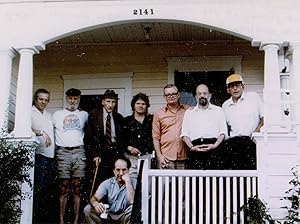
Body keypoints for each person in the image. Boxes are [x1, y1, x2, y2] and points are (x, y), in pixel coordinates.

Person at [52, 88, 88, 224]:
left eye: (75, 98)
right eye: (70, 98)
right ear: (66, 98)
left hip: (79, 151)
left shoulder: (84, 114)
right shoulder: (57, 114)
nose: (73, 101)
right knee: (63, 186)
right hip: (63, 152)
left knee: (77, 187)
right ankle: (61, 220)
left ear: (79, 99)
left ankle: (76, 220)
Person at [222, 74, 264, 170]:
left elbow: (264, 119)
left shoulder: (254, 98)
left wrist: (255, 134)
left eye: (238, 85)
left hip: (251, 141)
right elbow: (224, 127)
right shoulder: (225, 105)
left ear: (243, 86)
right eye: (232, 86)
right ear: (228, 90)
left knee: (252, 171)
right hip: (233, 143)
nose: (235, 89)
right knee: (235, 174)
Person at [181, 84, 227, 169]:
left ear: (209, 95)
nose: (202, 96)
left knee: (214, 180)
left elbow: (223, 132)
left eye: (205, 93)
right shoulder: (189, 113)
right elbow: (184, 134)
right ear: (195, 96)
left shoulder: (218, 111)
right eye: (199, 93)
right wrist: (192, 147)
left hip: (214, 148)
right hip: (195, 149)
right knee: (195, 181)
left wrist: (215, 145)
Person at [85, 89, 124, 189]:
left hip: (114, 153)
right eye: (108, 101)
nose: (110, 105)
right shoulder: (94, 114)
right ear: (103, 102)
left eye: (113, 102)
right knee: (101, 181)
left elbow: (120, 138)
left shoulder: (118, 117)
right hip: (100, 154)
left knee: (114, 180)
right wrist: (95, 155)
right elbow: (89, 138)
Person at [84, 156, 136, 224]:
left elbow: (132, 201)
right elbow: (94, 198)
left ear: (128, 170)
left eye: (124, 170)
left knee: (133, 209)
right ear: (113, 171)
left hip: (124, 216)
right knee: (88, 209)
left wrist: (128, 181)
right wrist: (96, 204)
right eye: (118, 170)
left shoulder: (134, 182)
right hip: (108, 215)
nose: (121, 173)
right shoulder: (107, 183)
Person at [31, 88, 55, 223]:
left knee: (47, 189)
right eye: (41, 99)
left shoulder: (48, 114)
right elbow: (26, 128)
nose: (44, 102)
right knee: (39, 189)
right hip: (39, 156)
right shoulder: (30, 112)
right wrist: (41, 132)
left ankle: (44, 218)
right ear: (35, 99)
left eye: (46, 100)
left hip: (50, 156)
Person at [152, 84, 188, 170]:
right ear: (164, 97)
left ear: (178, 94)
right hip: (166, 157)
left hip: (184, 157)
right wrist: (159, 156)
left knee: (182, 183)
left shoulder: (187, 110)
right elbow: (156, 137)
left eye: (173, 94)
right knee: (166, 183)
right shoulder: (158, 113)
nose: (171, 96)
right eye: (168, 95)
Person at [123, 92, 154, 178]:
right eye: (138, 103)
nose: (141, 106)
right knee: (132, 180)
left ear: (147, 106)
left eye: (143, 104)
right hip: (131, 157)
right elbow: (121, 139)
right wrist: (130, 148)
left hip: (147, 156)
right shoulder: (126, 121)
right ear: (133, 105)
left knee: (147, 181)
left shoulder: (152, 120)